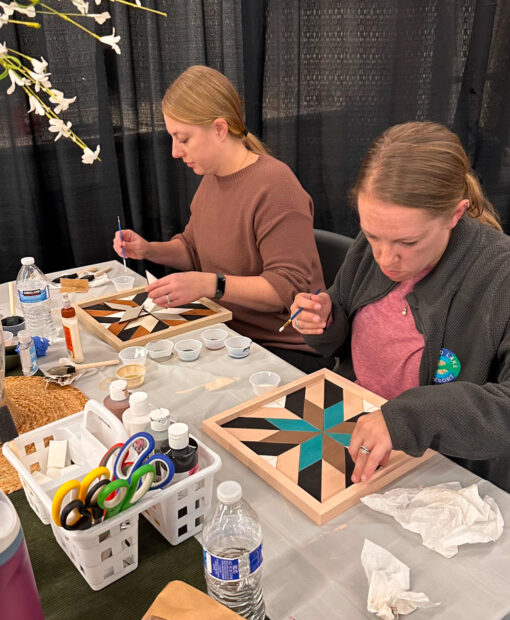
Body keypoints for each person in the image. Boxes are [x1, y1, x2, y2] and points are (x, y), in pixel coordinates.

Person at [290, 121, 510, 492]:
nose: (384, 258)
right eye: (372, 235)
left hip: (444, 469)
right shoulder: (372, 248)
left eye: (408, 242)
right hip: (354, 423)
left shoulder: (498, 275)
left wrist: (405, 420)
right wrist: (325, 321)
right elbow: (344, 340)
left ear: (455, 215)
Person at [113, 65, 332, 373]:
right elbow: (193, 248)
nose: (175, 151)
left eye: (183, 138)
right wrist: (148, 249)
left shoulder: (275, 184)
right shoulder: (213, 178)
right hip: (227, 333)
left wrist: (211, 285)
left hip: (281, 349)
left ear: (219, 129)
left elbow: (286, 290)